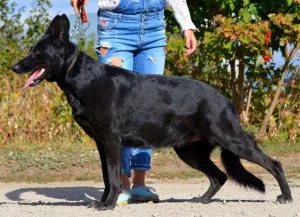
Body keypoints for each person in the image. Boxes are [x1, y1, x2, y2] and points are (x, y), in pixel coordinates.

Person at [70, 0, 197, 205]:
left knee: (148, 110)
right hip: (115, 26)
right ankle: (121, 186)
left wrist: (187, 25)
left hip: (154, 27)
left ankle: (139, 184)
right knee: (115, 113)